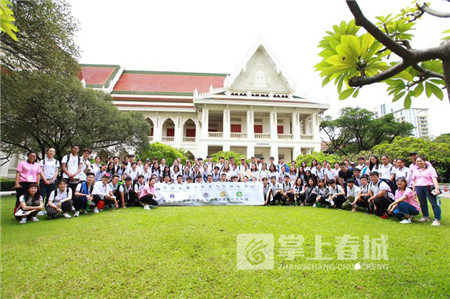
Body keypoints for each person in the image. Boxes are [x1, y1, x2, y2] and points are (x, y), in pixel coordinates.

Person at [411, 155, 441, 226]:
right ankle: (426, 216)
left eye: (420, 161)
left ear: (424, 161)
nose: (419, 162)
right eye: (417, 161)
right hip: (419, 187)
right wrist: (414, 190)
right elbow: (414, 181)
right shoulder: (415, 170)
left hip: (428, 187)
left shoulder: (430, 169)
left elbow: (434, 178)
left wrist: (436, 188)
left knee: (434, 203)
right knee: (422, 203)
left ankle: (437, 219)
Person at [39, 148, 60, 215]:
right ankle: (39, 209)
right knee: (42, 195)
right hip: (43, 180)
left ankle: (47, 208)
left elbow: (56, 171)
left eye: (53, 151)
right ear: (47, 152)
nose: (51, 152)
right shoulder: (43, 161)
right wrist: (45, 180)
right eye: (50, 151)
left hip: (53, 181)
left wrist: (53, 180)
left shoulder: (56, 161)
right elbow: (41, 171)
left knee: (50, 195)